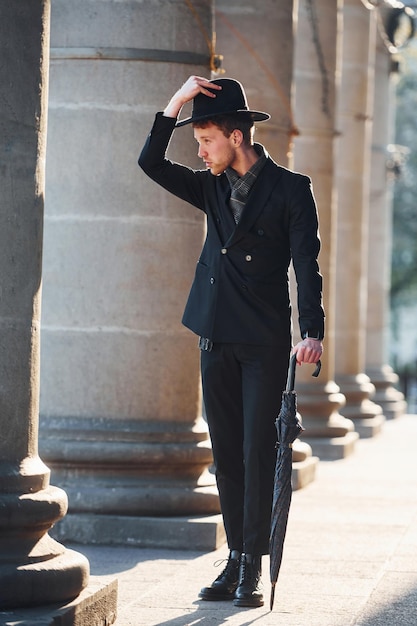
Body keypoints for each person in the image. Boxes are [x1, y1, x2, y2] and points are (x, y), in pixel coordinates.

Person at [139, 75, 324, 608]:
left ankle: (254, 564)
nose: (199, 153)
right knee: (225, 452)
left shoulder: (291, 189)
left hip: (263, 341)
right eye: (196, 142)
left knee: (255, 451)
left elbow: (306, 265)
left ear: (236, 138)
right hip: (215, 334)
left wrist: (311, 330)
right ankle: (235, 559)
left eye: (206, 141)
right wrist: (174, 104)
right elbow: (151, 163)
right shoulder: (210, 186)